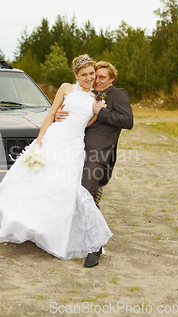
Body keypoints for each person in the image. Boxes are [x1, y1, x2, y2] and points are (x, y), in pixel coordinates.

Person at [0, 54, 112, 266]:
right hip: (54, 139)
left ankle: (56, 234)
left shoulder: (95, 100)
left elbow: (85, 125)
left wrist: (98, 112)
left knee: (65, 189)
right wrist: (40, 140)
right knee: (38, 182)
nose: (88, 78)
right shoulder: (66, 88)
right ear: (76, 75)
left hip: (74, 145)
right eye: (84, 74)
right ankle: (29, 224)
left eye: (91, 74)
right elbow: (50, 114)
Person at [55, 61, 134, 267]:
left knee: (87, 195)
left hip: (98, 153)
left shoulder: (118, 94)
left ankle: (95, 247)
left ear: (112, 79)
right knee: (72, 192)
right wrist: (58, 114)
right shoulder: (88, 94)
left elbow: (128, 121)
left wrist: (102, 112)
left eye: (102, 77)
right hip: (76, 149)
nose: (97, 80)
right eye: (95, 76)